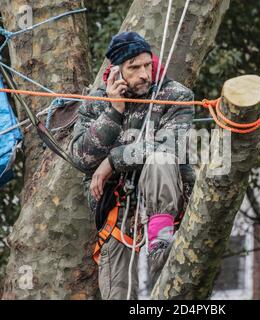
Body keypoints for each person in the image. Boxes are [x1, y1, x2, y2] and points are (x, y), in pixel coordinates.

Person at [70, 31, 195, 299]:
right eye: (134, 67)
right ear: (116, 71)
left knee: (160, 158)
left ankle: (160, 238)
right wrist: (114, 111)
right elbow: (81, 158)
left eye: (147, 65)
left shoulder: (175, 96)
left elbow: (168, 147)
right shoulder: (96, 103)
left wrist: (113, 161)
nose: (144, 74)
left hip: (167, 209)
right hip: (117, 215)